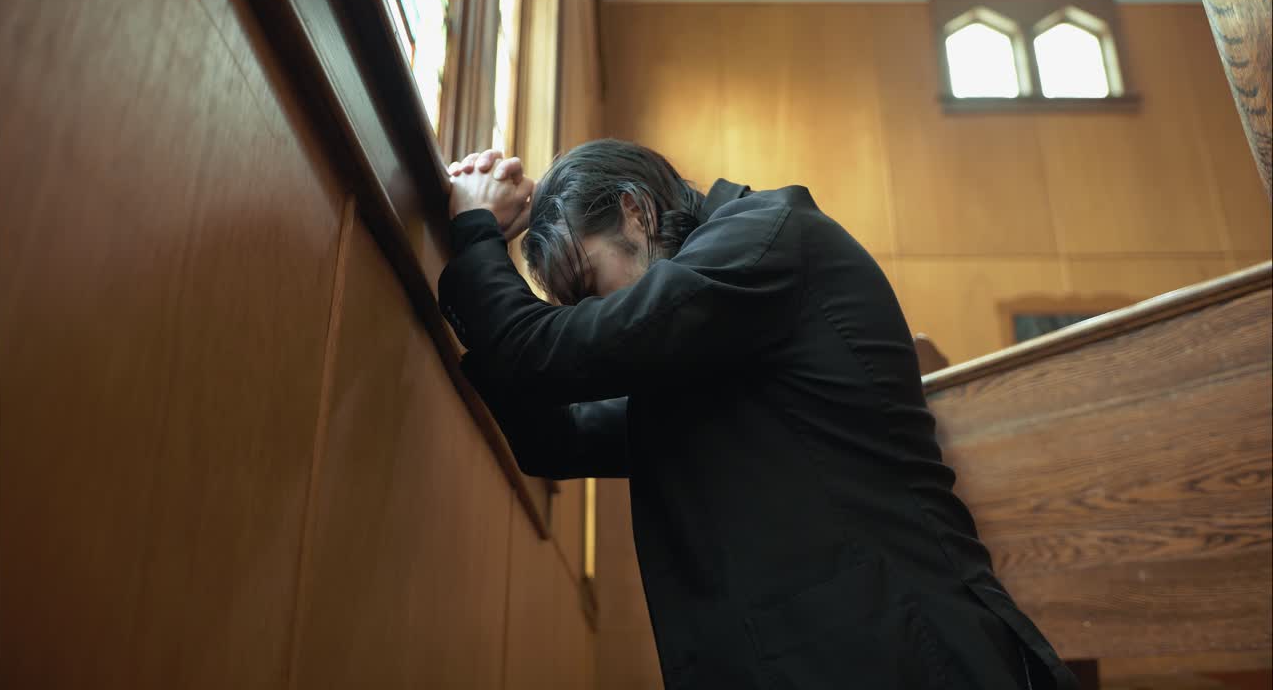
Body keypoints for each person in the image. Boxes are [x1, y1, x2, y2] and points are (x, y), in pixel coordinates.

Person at [439, 139, 1077, 690]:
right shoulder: (695, 350)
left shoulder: (766, 236)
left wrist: (474, 234)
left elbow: (548, 351)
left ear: (637, 211)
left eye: (588, 285)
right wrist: (483, 264)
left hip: (903, 649)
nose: (587, 316)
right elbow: (560, 438)